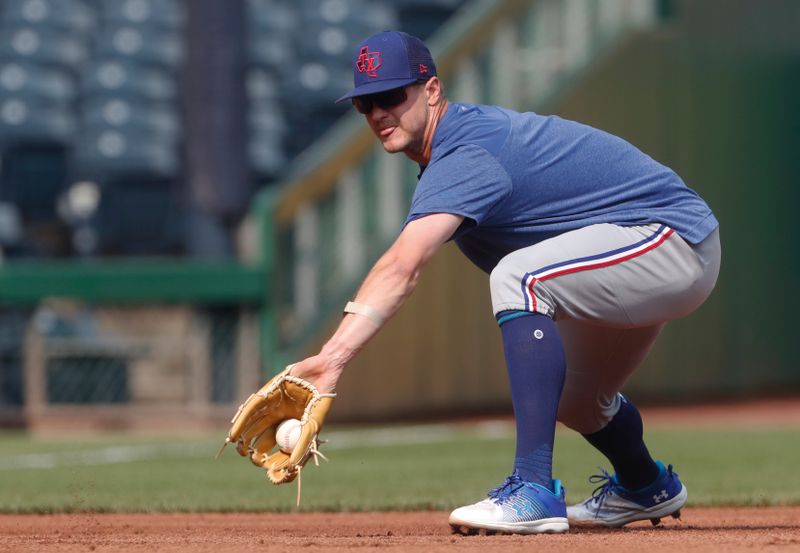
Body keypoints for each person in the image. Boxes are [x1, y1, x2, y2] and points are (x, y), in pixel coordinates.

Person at [289, 30, 721, 534]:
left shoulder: (467, 152)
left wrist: (332, 360)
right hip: (638, 250)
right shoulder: (450, 153)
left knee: (519, 276)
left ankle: (533, 490)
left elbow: (403, 265)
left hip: (669, 239)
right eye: (365, 103)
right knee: (578, 401)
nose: (378, 113)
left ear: (431, 91)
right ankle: (644, 485)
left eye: (391, 96)